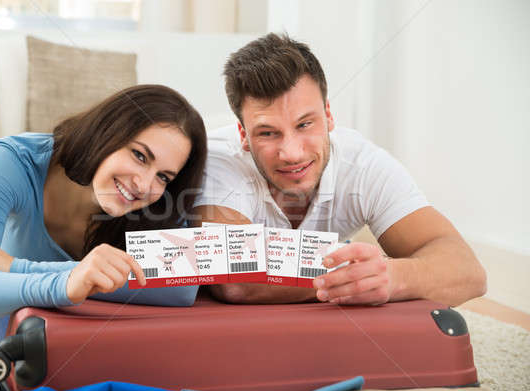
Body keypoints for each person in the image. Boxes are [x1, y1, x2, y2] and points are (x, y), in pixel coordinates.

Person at [193, 33, 486, 307]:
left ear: (329, 115)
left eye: (305, 124)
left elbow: (469, 272)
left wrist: (392, 275)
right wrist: (353, 269)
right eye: (268, 133)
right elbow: (233, 274)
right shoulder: (218, 157)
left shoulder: (363, 164)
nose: (292, 153)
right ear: (243, 135)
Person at [0, 84, 207, 341]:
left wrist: (15, 267)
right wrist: (63, 285)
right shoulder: (11, 161)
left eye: (163, 177)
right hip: (28, 353)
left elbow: (182, 287)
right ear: (107, 132)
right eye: (139, 155)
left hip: (106, 349)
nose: (144, 185)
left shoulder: (161, 204)